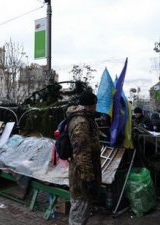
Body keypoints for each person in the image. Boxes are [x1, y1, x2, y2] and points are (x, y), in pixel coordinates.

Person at [67, 91, 101, 225]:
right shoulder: (81, 122)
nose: (96, 107)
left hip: (82, 172)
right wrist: (89, 179)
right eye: (95, 104)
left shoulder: (85, 119)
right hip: (81, 176)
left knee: (82, 210)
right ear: (90, 105)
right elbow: (81, 154)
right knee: (79, 211)